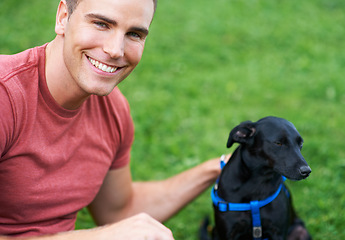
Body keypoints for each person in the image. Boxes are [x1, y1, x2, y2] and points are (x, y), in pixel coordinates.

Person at [0, 0, 225, 239]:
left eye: (134, 34)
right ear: (63, 17)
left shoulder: (113, 110)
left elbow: (118, 211)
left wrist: (218, 168)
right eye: (101, 24)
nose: (116, 49)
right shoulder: (6, 96)